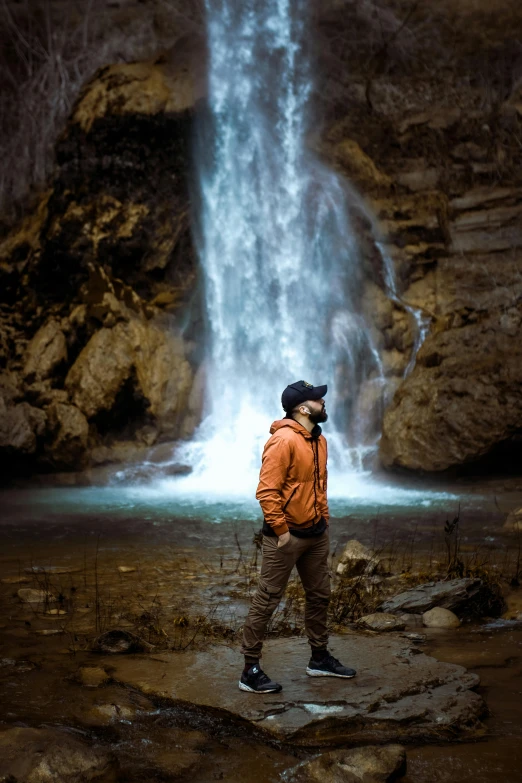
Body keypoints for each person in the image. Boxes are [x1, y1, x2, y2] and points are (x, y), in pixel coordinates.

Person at [239, 380, 356, 693]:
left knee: (320, 595)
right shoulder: (283, 441)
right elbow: (266, 492)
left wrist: (325, 520)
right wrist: (281, 532)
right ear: (304, 408)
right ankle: (249, 669)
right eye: (319, 399)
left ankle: (319, 658)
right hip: (286, 536)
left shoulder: (319, 440)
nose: (324, 403)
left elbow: (319, 485)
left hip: (316, 534)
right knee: (267, 600)